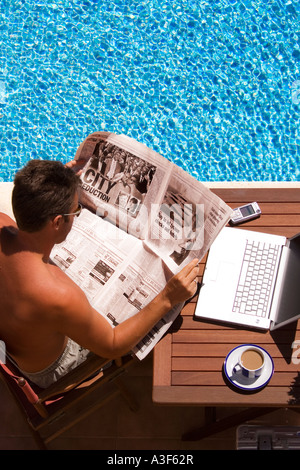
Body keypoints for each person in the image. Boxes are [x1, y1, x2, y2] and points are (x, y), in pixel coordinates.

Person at [0, 159, 199, 388]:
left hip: (17, 345)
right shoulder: (57, 295)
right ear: (57, 222)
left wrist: (60, 183)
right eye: (75, 211)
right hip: (53, 369)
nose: (76, 215)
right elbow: (113, 344)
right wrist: (167, 298)